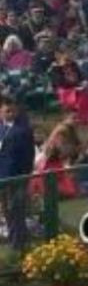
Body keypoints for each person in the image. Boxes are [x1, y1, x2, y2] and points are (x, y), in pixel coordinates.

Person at [0, 97, 36, 249]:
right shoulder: (1, 129)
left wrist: (25, 175)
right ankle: (15, 237)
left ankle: (18, 243)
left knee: (17, 209)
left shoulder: (23, 131)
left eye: (12, 111)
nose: (10, 114)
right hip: (2, 176)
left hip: (17, 176)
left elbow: (29, 155)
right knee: (6, 209)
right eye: (6, 111)